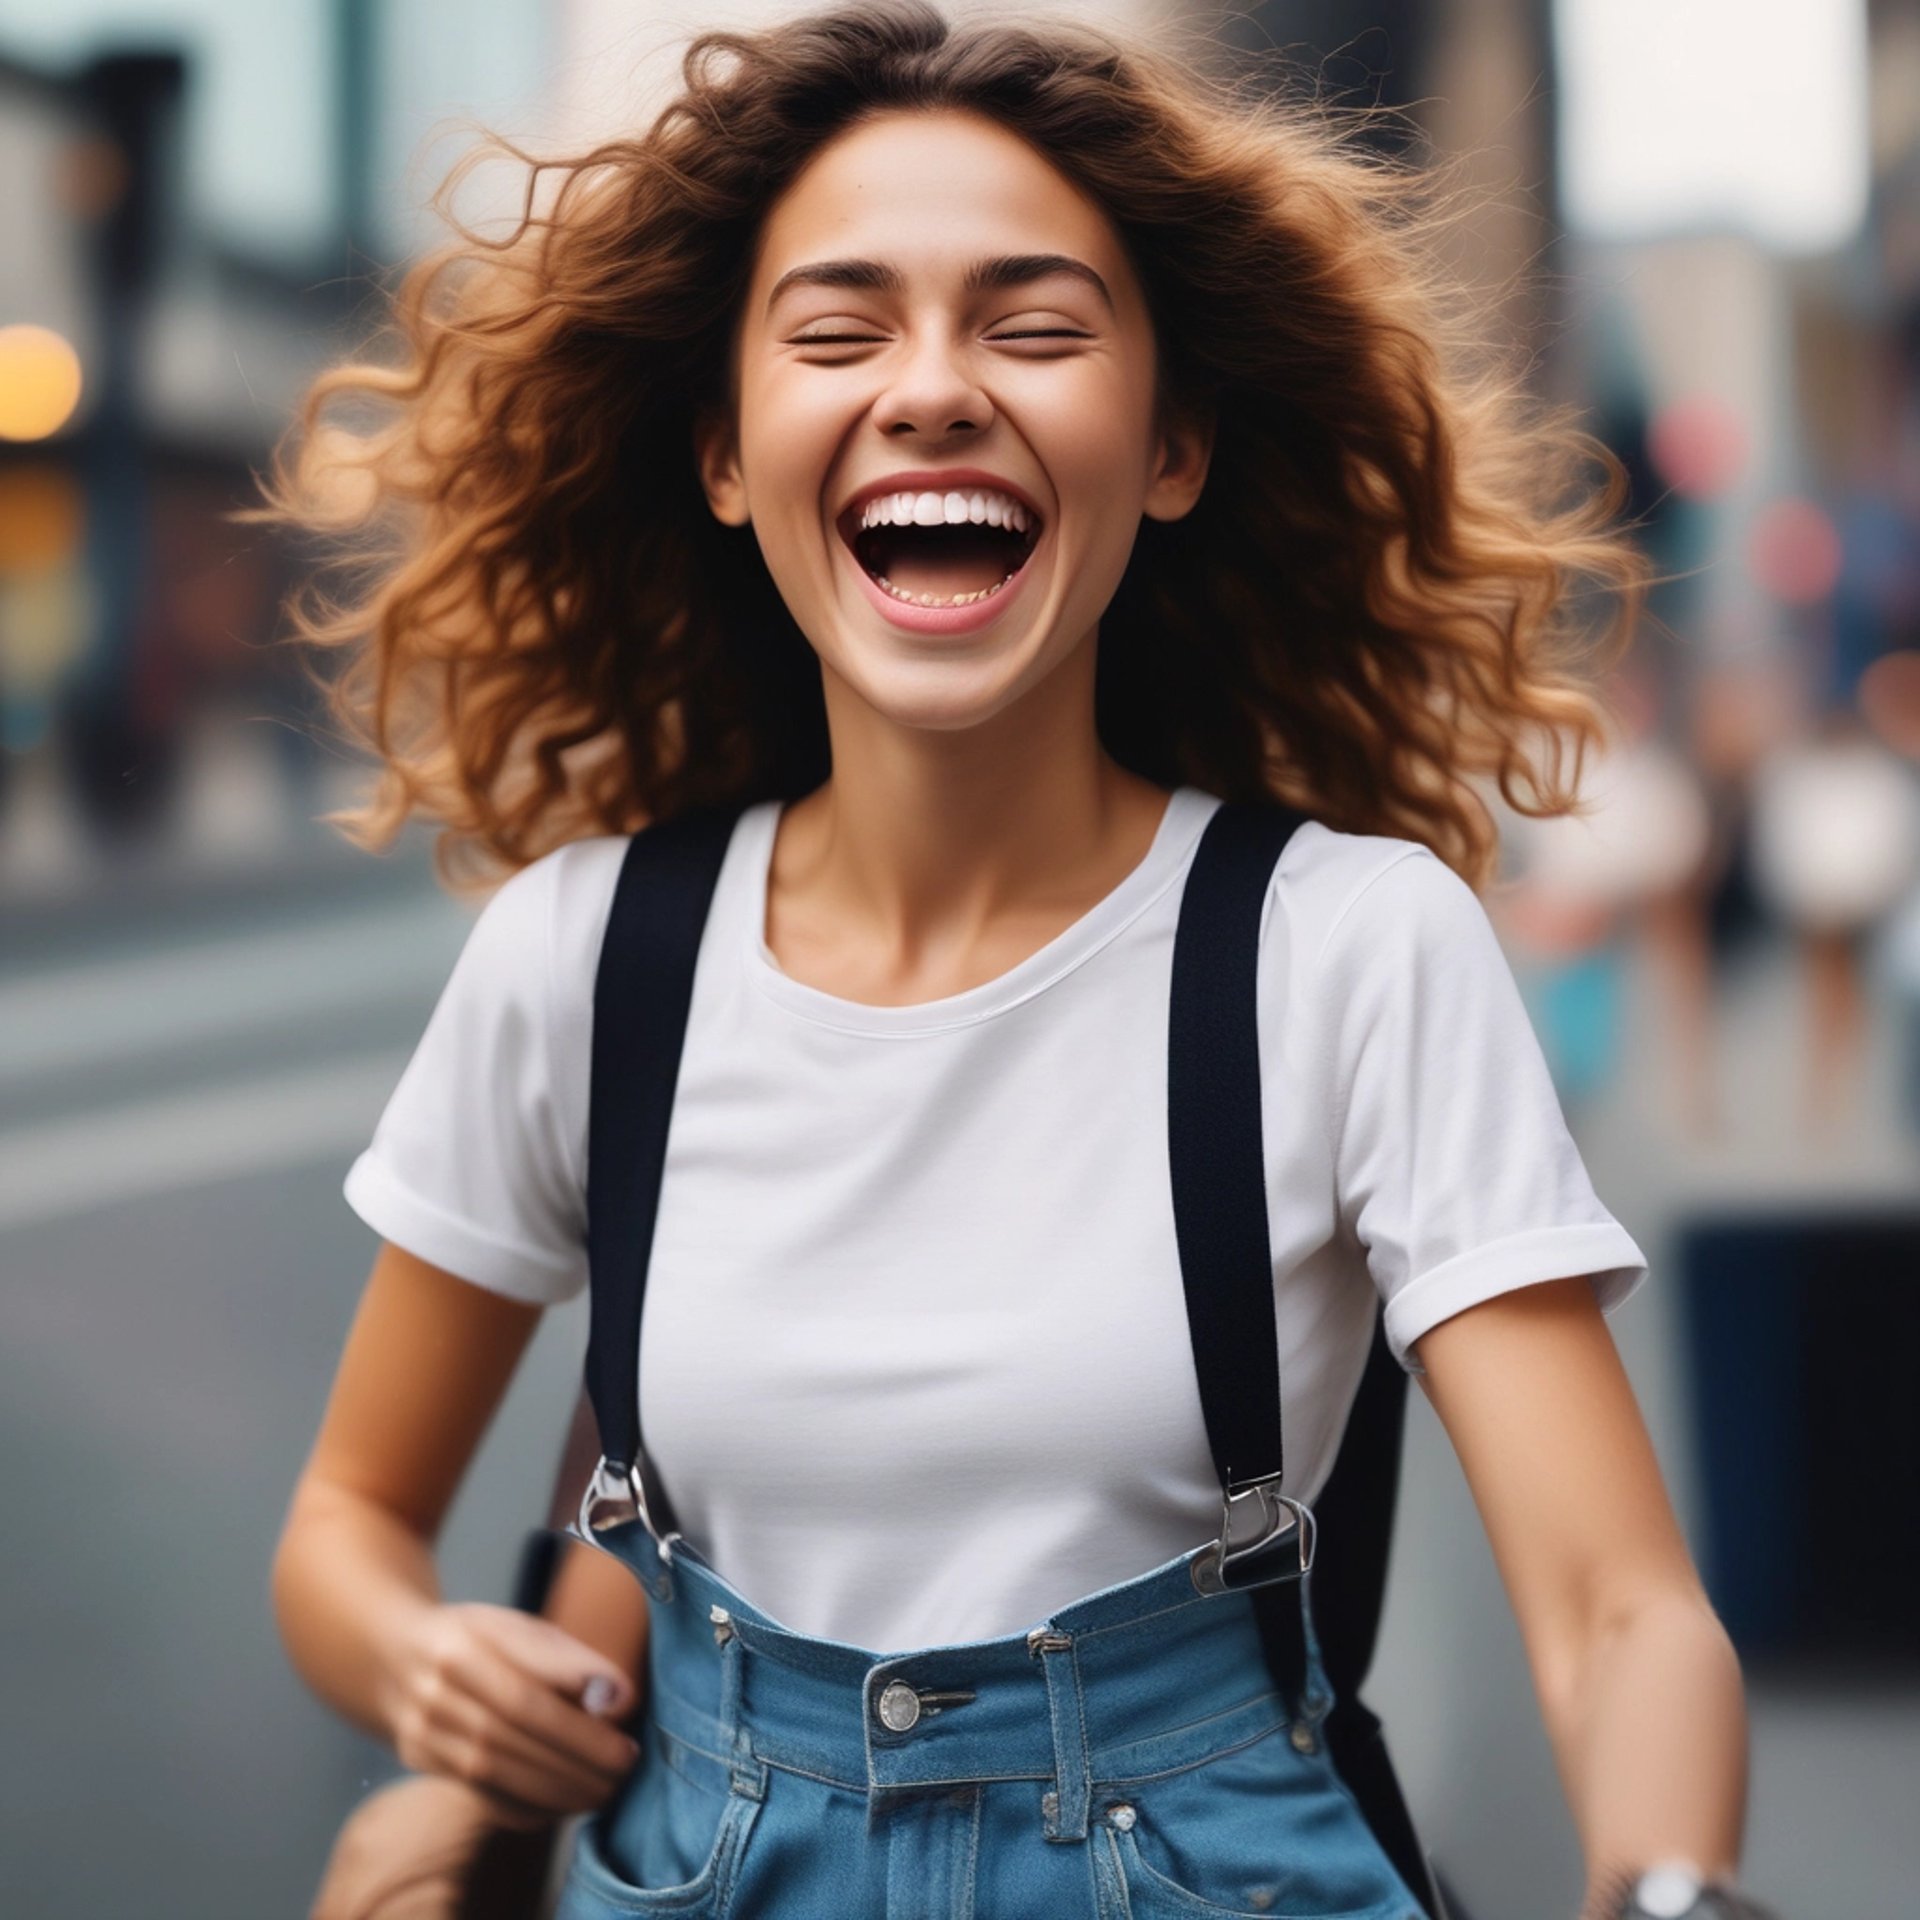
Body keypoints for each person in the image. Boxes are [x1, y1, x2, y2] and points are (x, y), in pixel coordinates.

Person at [261, 7, 1763, 1917]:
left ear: (1172, 447)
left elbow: (1617, 1612)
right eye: (838, 330)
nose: (935, 390)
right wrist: (424, 1663)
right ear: (727, 457)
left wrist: (1668, 1890)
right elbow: (345, 1526)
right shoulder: (588, 958)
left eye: (1035, 326)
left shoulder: (1349, 951)